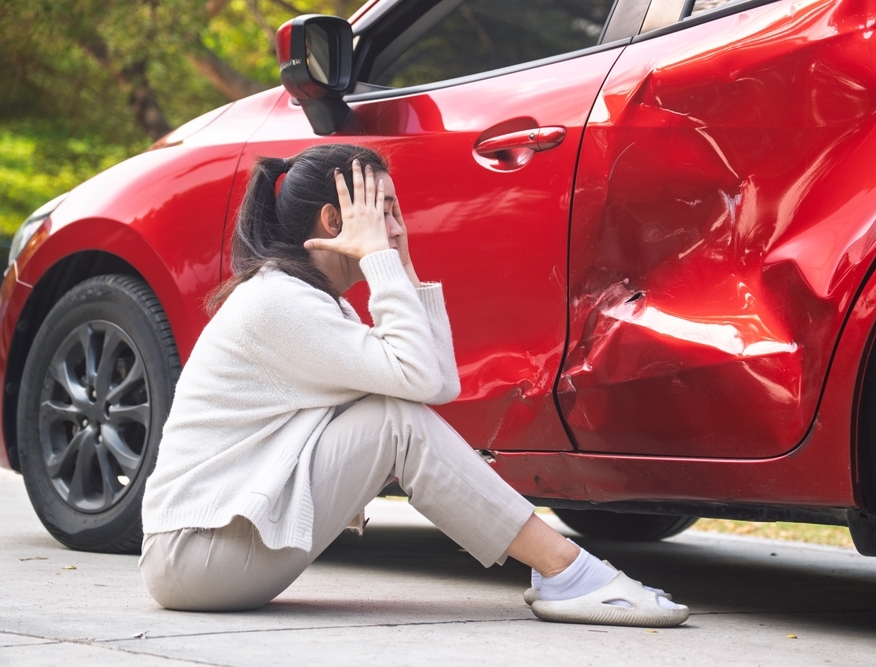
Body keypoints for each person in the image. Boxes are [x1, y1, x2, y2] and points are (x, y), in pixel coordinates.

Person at [138, 144, 688, 627]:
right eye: (387, 213)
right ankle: (568, 572)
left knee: (396, 412)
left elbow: (433, 383)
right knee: (393, 421)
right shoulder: (279, 302)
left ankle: (569, 574)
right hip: (197, 557)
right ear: (334, 221)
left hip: (214, 553)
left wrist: (397, 263)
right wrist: (381, 261)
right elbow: (417, 387)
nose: (399, 227)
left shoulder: (305, 299)